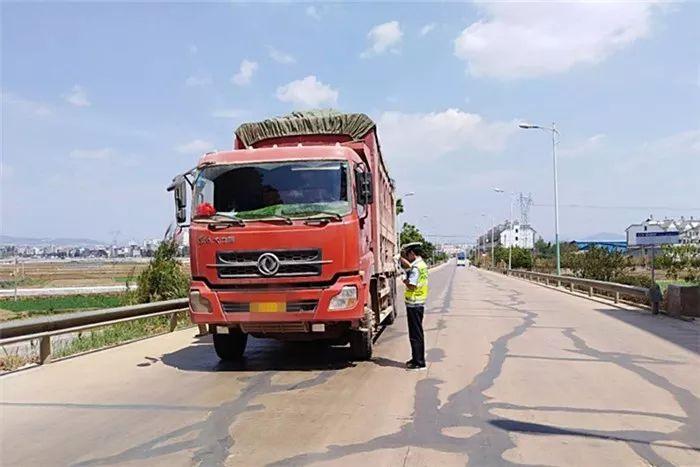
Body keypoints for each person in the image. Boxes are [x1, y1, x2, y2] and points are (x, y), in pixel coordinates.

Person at [400, 242, 429, 370]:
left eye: (408, 254)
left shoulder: (416, 268)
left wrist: (404, 281)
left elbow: (412, 284)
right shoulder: (422, 265)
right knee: (417, 333)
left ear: (412, 253)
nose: (407, 257)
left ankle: (419, 362)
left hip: (414, 303)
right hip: (418, 303)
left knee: (415, 334)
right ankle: (416, 358)